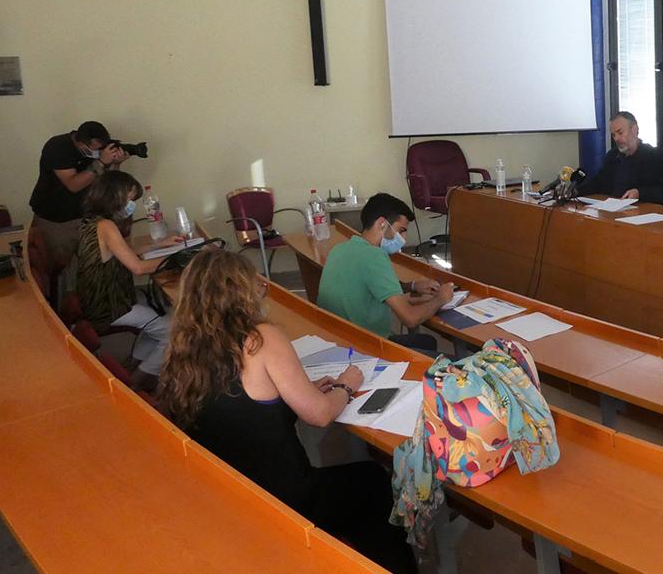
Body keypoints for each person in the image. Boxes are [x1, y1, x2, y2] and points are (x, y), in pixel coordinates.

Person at [158, 249, 416, 573]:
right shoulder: (260, 338)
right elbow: (320, 415)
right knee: (372, 479)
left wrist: (300, 388)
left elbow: (242, 407)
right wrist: (346, 385)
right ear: (239, 292)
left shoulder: (184, 349)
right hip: (286, 500)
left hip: (233, 495)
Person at [75, 171, 181, 391]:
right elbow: (138, 267)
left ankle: (133, 365)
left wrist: (159, 245)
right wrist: (179, 259)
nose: (131, 205)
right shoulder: (106, 226)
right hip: (109, 304)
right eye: (130, 199)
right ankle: (137, 382)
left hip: (101, 297)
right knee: (174, 330)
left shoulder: (92, 221)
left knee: (160, 310)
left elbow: (124, 250)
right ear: (114, 196)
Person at [317, 193, 452, 354]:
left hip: (337, 340)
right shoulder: (374, 256)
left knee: (426, 341)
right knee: (449, 361)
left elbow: (371, 287)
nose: (403, 238)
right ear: (382, 224)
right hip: (365, 349)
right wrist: (441, 298)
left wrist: (412, 286)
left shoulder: (340, 249)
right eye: (401, 230)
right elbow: (410, 318)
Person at [30, 120, 130, 269]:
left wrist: (116, 163)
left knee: (91, 267)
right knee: (58, 268)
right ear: (81, 142)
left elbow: (106, 182)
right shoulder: (58, 147)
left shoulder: (100, 151)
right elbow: (73, 185)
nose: (98, 151)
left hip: (85, 218)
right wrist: (101, 162)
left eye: (101, 148)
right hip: (56, 220)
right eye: (95, 148)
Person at [578, 111, 663, 207]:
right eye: (613, 135)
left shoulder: (656, 156)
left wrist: (640, 193)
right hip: (614, 212)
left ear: (634, 130)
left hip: (645, 214)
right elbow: (597, 183)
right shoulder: (612, 156)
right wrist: (575, 191)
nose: (616, 139)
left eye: (620, 133)